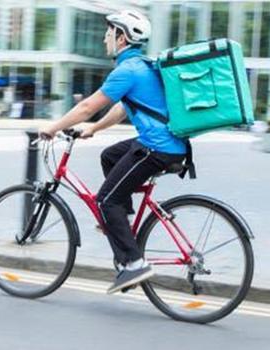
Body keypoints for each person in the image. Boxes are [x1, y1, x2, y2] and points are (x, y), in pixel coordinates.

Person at [39, 10, 188, 294]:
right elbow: (123, 108)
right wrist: (94, 130)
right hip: (166, 144)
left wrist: (53, 127)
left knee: (106, 199)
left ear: (122, 37)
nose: (104, 38)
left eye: (109, 33)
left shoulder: (127, 70)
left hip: (156, 148)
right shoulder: (140, 66)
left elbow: (86, 107)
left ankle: (133, 263)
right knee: (109, 156)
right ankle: (123, 217)